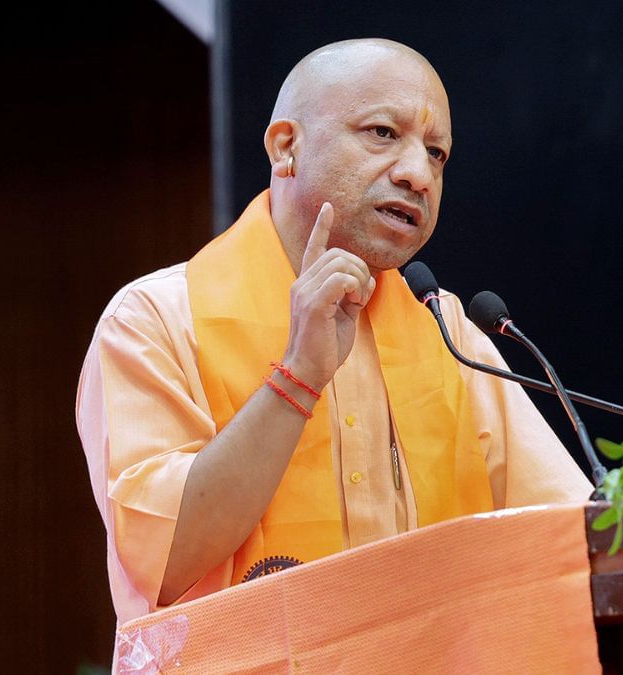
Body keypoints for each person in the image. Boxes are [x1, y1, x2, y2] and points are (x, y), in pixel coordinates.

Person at [76, 38, 592, 626]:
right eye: (382, 133)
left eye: (436, 154)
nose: (418, 175)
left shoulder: (444, 328)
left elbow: (567, 533)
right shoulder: (154, 319)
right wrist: (298, 377)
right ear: (286, 146)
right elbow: (163, 563)